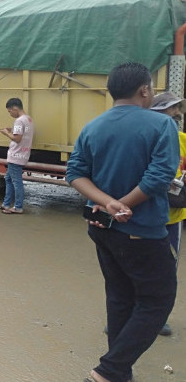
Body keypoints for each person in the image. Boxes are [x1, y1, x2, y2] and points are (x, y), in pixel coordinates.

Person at [66, 62, 178, 382]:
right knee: (158, 301)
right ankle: (109, 371)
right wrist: (121, 206)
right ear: (144, 90)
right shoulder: (161, 125)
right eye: (152, 87)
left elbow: (75, 173)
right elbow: (158, 178)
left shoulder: (93, 127)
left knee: (120, 296)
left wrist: (106, 205)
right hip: (141, 231)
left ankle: (119, 373)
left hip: (101, 228)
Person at [149, 91, 186, 337]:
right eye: (169, 116)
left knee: (167, 269)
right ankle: (125, 315)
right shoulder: (144, 138)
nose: (175, 121)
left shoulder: (184, 140)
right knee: (134, 267)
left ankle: (158, 318)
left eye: (177, 116)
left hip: (172, 218)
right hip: (144, 217)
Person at [0, 98, 34, 214]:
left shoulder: (19, 121)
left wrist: (6, 133)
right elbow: (23, 134)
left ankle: (18, 207)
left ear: (15, 108)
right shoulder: (28, 119)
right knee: (8, 179)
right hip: (22, 154)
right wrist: (12, 130)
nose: (10, 114)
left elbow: (17, 138)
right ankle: (6, 204)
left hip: (16, 155)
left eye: (9, 111)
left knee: (16, 182)